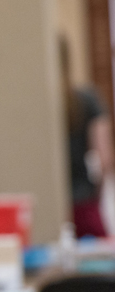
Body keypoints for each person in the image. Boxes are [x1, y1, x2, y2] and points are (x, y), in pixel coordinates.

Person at [60, 38, 114, 237]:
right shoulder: (87, 100)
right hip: (84, 203)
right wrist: (97, 192)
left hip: (51, 203)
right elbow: (104, 159)